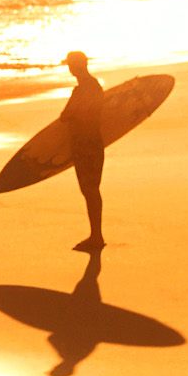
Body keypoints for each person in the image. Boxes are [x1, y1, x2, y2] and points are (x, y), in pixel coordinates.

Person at [61, 50, 105, 252]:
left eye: (70, 64)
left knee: (89, 190)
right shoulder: (96, 86)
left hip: (84, 145)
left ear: (76, 66)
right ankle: (96, 235)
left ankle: (96, 237)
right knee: (92, 190)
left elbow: (66, 116)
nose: (69, 68)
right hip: (95, 144)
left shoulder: (81, 91)